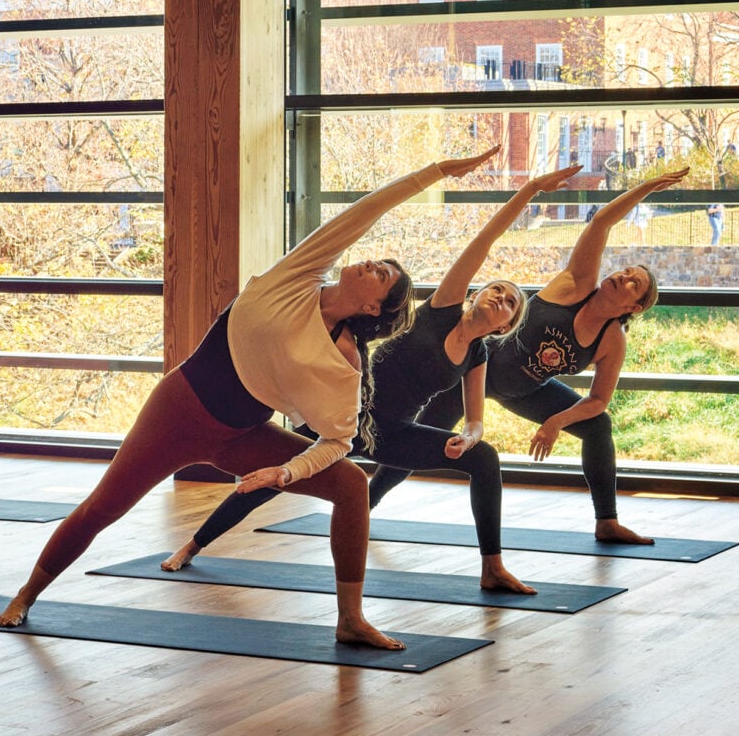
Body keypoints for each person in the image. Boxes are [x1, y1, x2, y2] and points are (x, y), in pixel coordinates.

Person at [0, 147, 503, 649]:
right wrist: (434, 172)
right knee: (105, 507)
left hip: (240, 434)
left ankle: (351, 619)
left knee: (349, 484)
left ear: (373, 303)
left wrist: (285, 473)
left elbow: (338, 441)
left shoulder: (344, 362)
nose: (372, 262)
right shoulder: (299, 276)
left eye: (383, 273)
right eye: (378, 262)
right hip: (178, 410)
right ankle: (25, 594)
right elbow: (362, 214)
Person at [163, 164, 585, 594]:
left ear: (505, 325)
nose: (499, 296)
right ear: (475, 294)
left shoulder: (477, 354)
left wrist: (471, 438)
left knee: (485, 458)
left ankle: (492, 567)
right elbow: (484, 239)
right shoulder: (441, 310)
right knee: (272, 477)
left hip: (392, 434)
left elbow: (475, 419)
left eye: (510, 301)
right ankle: (193, 545)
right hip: (347, 416)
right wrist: (530, 189)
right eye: (495, 289)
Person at [470, 163, 688, 546]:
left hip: (526, 391)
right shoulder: (577, 283)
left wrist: (557, 421)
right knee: (425, 431)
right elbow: (601, 222)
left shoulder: (612, 339)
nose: (622, 276)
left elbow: (599, 400)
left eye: (632, 282)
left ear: (634, 307)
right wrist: (647, 187)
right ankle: (365, 503)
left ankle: (607, 521)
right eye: (625, 270)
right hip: (476, 366)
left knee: (598, 427)